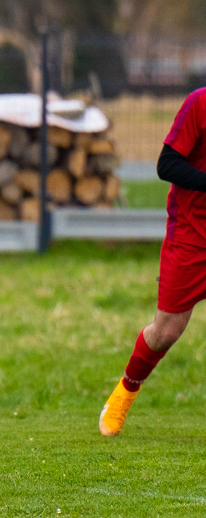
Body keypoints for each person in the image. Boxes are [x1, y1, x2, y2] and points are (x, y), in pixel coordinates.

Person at [99, 87, 206, 437]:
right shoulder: (200, 102)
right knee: (166, 331)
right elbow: (167, 165)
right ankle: (126, 391)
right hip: (192, 234)